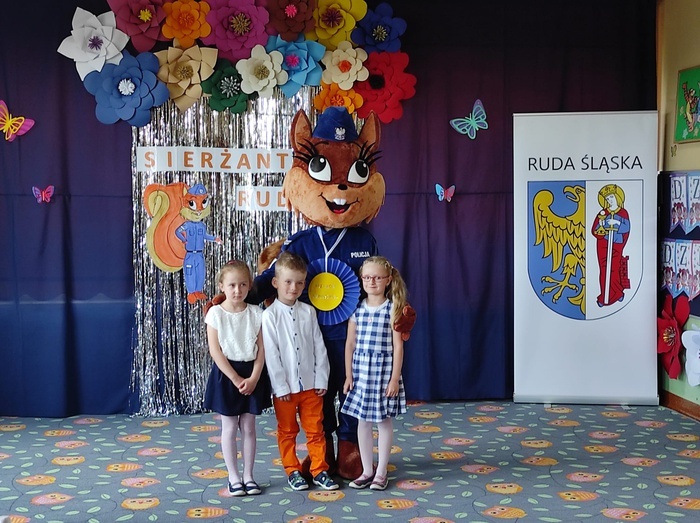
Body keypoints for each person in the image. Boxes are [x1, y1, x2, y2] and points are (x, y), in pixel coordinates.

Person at [261, 252, 339, 491]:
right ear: (276, 282)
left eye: (299, 282)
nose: (293, 288)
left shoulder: (308, 311)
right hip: (285, 390)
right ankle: (292, 470)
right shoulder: (269, 316)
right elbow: (271, 355)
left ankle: (319, 470)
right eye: (288, 282)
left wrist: (321, 378)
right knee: (287, 431)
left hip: (311, 386)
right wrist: (280, 386)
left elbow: (319, 346)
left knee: (316, 430)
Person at [203, 260, 271, 497]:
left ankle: (249, 475)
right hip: (227, 375)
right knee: (230, 426)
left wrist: (254, 377)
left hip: (252, 373)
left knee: (249, 427)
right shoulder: (215, 314)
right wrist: (234, 378)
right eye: (232, 285)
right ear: (222, 286)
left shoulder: (256, 313)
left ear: (250, 285)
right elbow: (215, 351)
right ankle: (233, 476)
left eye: (243, 284)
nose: (237, 290)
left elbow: (262, 350)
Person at [342, 256, 408, 491]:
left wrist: (394, 378)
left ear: (388, 280)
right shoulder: (357, 309)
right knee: (363, 421)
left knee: (382, 421)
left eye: (377, 278)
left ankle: (381, 471)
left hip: (382, 373)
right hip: (362, 373)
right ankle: (366, 470)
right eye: (367, 277)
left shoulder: (393, 309)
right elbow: (350, 344)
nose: (372, 282)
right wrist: (349, 375)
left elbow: (398, 347)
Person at [591, 184, 630, 306]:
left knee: (614, 268)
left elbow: (627, 228)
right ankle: (604, 296)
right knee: (604, 269)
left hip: (616, 244)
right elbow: (595, 230)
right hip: (603, 244)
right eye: (607, 199)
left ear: (617, 197)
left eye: (611, 197)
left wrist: (617, 222)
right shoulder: (603, 212)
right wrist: (601, 225)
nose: (610, 200)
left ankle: (618, 293)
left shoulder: (623, 212)